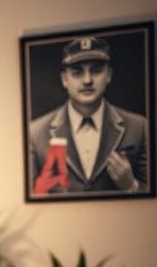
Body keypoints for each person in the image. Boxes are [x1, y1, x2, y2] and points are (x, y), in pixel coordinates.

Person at [28, 36, 149, 194]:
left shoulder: (139, 127)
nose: (87, 80)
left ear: (109, 75)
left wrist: (131, 185)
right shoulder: (36, 132)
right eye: (77, 73)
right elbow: (28, 197)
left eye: (96, 71)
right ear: (65, 79)